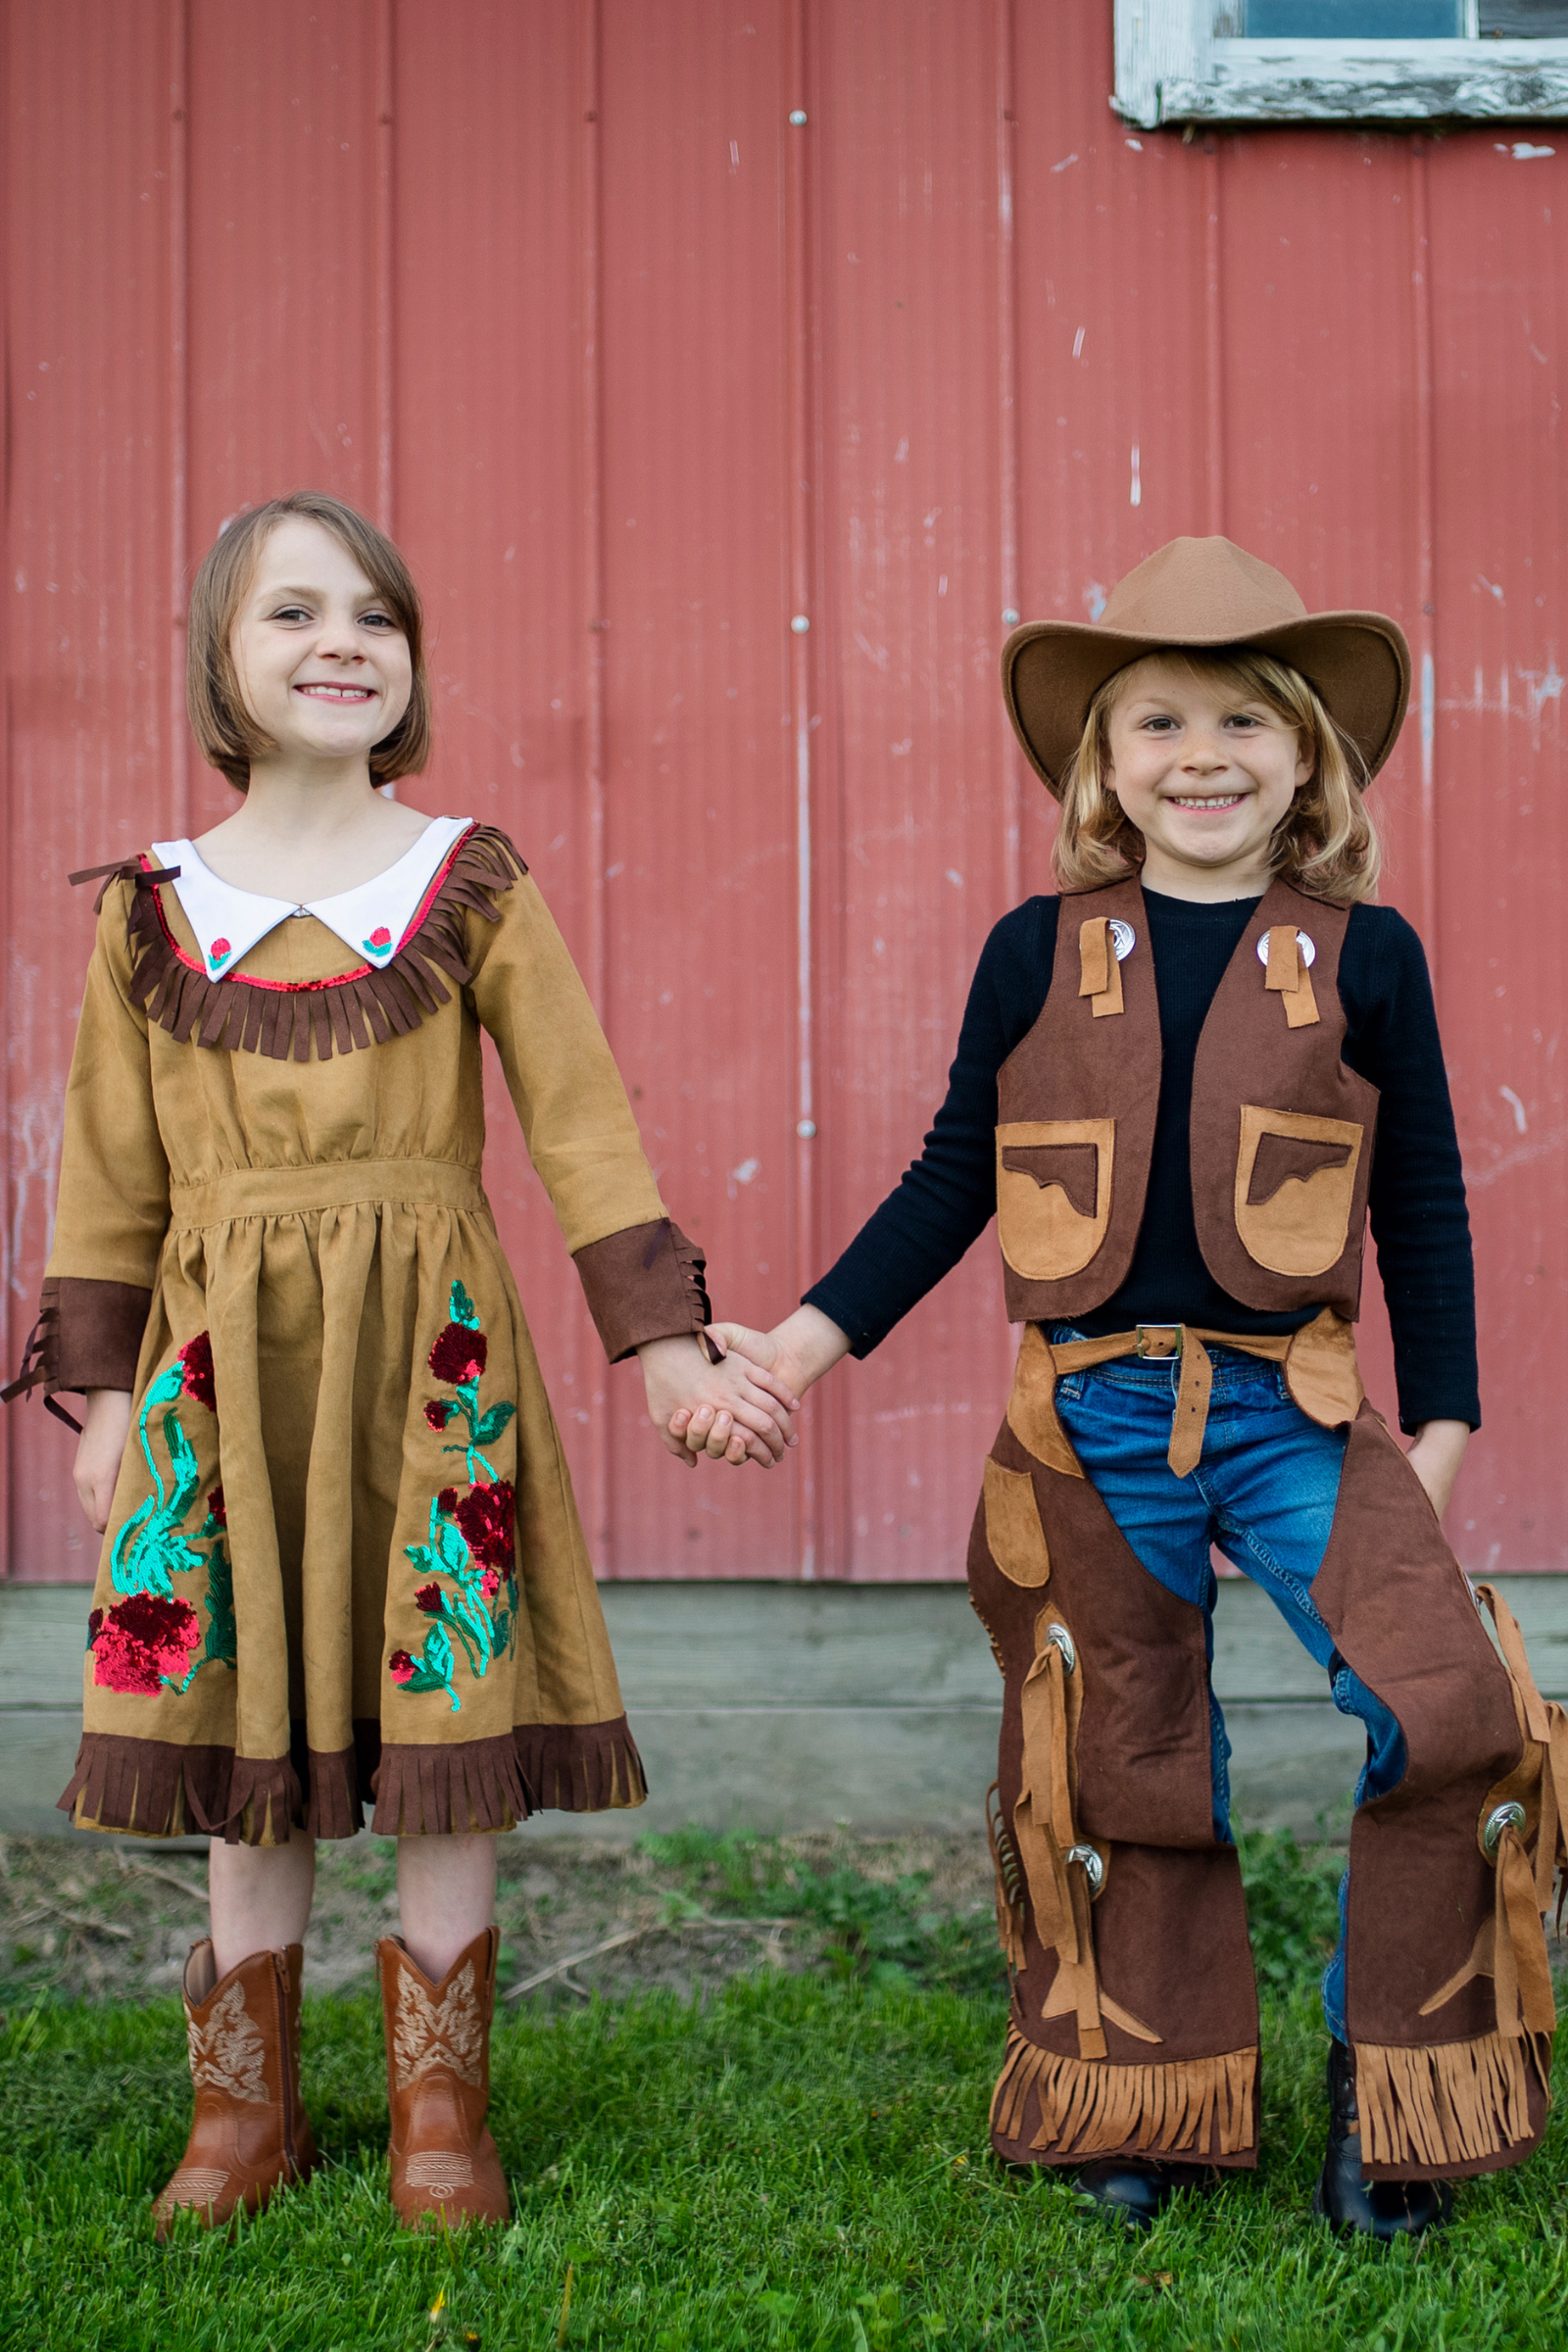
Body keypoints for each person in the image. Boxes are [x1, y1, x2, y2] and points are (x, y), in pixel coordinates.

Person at [682, 538, 1564, 2237]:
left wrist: (1439, 1428)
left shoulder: (1365, 959)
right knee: (1118, 1747)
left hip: (1295, 1407)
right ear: (1105, 764)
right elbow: (955, 1175)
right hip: (1086, 1420)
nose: (1202, 755)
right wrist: (799, 1344)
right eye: (1157, 720)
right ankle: (1143, 2097)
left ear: (1308, 754)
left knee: (1451, 1709)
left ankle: (1397, 2097)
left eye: (1243, 718)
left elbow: (1427, 1196)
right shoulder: (1036, 950)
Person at [3, 490, 795, 2234]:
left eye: (375, 614)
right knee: (244, 1716)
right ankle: (244, 2114)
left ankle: (443, 2111)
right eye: (293, 613)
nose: (339, 641)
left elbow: (582, 1127)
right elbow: (111, 1170)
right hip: (222, 1373)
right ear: (223, 655)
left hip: (432, 1362)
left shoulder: (466, 880)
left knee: (442, 1706)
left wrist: (664, 1347)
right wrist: (110, 1395)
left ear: (412, 662)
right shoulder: (152, 907)